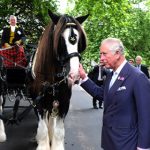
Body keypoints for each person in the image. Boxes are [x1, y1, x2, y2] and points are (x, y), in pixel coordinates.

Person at [77, 38, 150, 150]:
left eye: (104, 54)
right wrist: (83, 77)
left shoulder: (137, 77)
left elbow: (146, 116)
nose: (101, 58)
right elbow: (102, 94)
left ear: (117, 54)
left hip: (127, 144)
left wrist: (143, 147)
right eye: (100, 54)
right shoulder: (111, 75)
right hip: (109, 141)